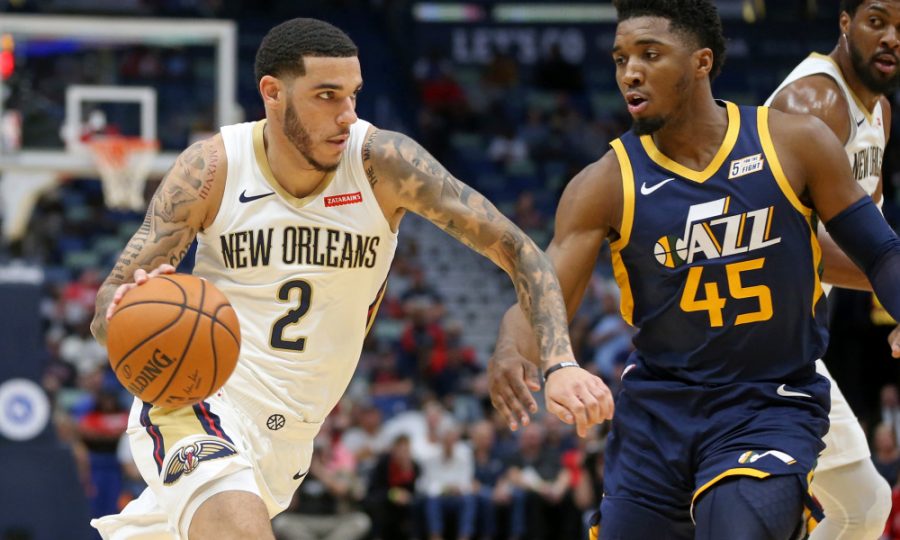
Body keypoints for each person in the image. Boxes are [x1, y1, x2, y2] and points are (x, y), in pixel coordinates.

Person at [88, 18, 610, 540]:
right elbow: (107, 309)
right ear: (272, 93)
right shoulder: (212, 169)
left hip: (291, 436)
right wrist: (132, 308)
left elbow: (520, 249)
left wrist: (559, 359)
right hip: (197, 400)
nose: (346, 115)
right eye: (326, 96)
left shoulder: (383, 162)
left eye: (354, 95)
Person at [487, 0, 900, 537]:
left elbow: (881, 250)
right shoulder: (605, 183)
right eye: (620, 59)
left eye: (649, 54)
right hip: (659, 412)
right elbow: (538, 296)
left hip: (768, 400)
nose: (629, 72)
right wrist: (520, 355)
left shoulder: (792, 142)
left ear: (702, 62)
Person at [765, 1, 899, 536]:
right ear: (844, 24)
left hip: (794, 337)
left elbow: (873, 227)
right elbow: (786, 241)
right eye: (876, 21)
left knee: (864, 507)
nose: (891, 37)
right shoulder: (814, 100)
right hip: (745, 338)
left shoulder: (881, 111)